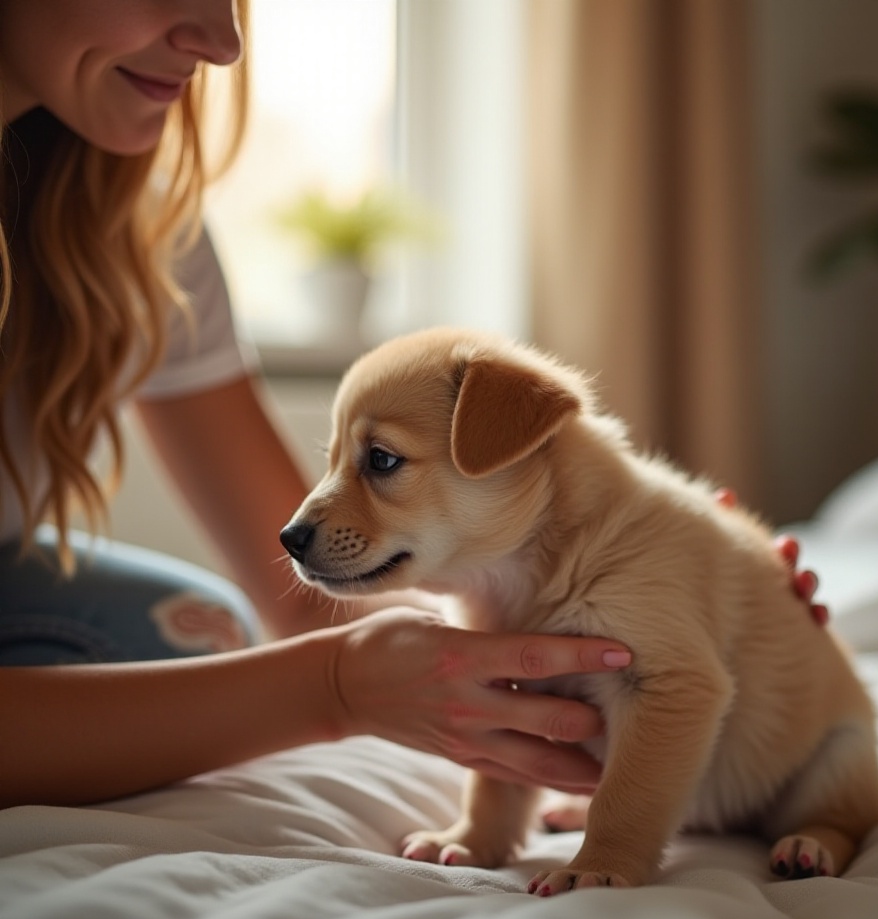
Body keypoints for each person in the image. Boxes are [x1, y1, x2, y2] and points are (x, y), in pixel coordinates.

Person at [0, 0, 825, 812]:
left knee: (198, 630)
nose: (221, 41)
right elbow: (325, 643)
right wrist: (334, 688)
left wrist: (695, 581)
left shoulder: (135, 226)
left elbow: (300, 588)